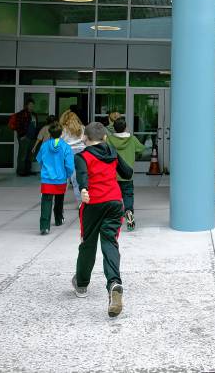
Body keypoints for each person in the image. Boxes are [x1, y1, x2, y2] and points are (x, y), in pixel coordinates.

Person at [71, 122, 133, 318]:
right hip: (115, 202)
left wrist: (83, 189)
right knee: (110, 242)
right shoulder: (112, 152)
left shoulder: (82, 156)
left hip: (93, 203)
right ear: (105, 138)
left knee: (88, 243)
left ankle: (81, 285)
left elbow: (82, 175)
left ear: (84, 138)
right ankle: (114, 283)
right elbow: (128, 173)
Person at [35, 122, 75, 235]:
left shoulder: (44, 145)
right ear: (62, 133)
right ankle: (58, 219)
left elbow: (40, 160)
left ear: (50, 133)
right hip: (61, 178)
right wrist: (67, 175)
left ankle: (44, 226)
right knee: (59, 199)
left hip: (47, 178)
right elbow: (69, 165)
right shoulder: (66, 147)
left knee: (46, 201)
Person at [106, 117, 145, 231]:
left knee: (114, 196)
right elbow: (141, 149)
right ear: (126, 127)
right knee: (128, 195)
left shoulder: (109, 139)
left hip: (113, 174)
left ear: (114, 128)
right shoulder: (132, 139)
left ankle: (114, 217)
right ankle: (128, 211)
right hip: (127, 174)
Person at [59, 109, 86, 205]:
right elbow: (85, 141)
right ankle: (81, 203)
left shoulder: (63, 129)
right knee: (78, 179)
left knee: (64, 179)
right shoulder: (82, 128)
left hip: (67, 153)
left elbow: (60, 143)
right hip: (81, 154)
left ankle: (59, 201)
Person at [12, 99, 38, 176]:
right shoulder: (22, 114)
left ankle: (28, 170)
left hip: (32, 137)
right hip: (24, 137)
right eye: (30, 105)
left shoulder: (34, 114)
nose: (32, 106)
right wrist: (21, 135)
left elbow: (35, 126)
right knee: (22, 155)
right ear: (26, 105)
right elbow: (18, 125)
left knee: (30, 155)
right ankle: (20, 171)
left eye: (33, 105)